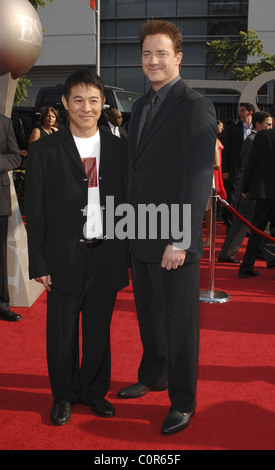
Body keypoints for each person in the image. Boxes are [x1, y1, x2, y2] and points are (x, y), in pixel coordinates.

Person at [117, 19, 217, 435]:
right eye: (146, 54)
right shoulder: (140, 106)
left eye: (161, 54)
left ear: (178, 57)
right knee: (149, 314)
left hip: (174, 237)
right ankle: (154, 374)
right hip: (139, 230)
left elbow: (197, 177)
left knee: (179, 321)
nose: (152, 61)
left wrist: (181, 239)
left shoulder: (195, 105)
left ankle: (183, 400)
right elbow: (134, 169)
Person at [25, 70, 129, 426]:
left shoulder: (119, 148)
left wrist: (125, 253)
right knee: (62, 333)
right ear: (66, 104)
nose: (87, 107)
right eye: (79, 100)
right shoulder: (43, 151)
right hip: (63, 257)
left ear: (104, 104)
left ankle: (94, 392)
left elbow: (127, 204)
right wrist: (38, 262)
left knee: (99, 330)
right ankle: (64, 395)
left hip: (105, 256)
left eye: (94, 100)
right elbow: (35, 213)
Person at [219, 111, 273, 263]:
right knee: (249, 224)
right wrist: (246, 189)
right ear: (258, 124)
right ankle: (229, 253)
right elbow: (248, 167)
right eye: (267, 124)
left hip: (250, 190)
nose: (270, 128)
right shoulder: (253, 140)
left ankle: (234, 253)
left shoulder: (258, 139)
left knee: (249, 224)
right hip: (249, 191)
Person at [238, 126, 275, 278]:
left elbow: (251, 163)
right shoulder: (263, 136)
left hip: (264, 192)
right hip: (264, 191)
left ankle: (246, 267)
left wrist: (246, 186)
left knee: (257, 230)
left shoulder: (262, 136)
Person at [0, 114, 22, 322]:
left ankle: (1, 304)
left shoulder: (4, 123)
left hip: (0, 200)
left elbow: (16, 156)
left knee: (0, 256)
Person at [222, 103, 255, 227]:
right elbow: (227, 151)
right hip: (235, 168)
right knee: (232, 197)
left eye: (242, 110)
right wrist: (225, 170)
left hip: (250, 168)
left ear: (250, 112)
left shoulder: (256, 129)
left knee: (247, 198)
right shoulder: (233, 129)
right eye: (239, 110)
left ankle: (246, 227)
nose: (240, 113)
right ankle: (230, 224)